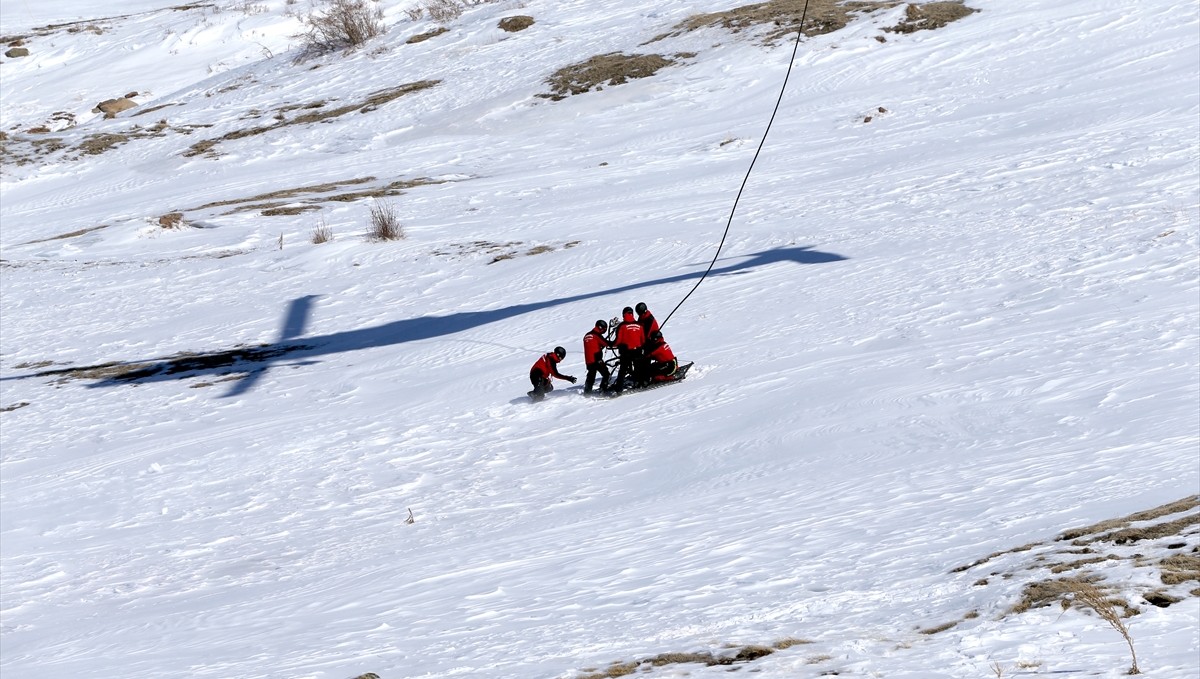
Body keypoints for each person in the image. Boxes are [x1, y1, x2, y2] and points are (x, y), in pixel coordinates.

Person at [613, 307, 645, 393]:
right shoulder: (639, 325)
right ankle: (640, 384)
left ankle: (619, 389)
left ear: (623, 315)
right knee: (638, 368)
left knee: (623, 370)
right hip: (637, 351)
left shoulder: (622, 326)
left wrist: (612, 345)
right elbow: (643, 340)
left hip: (626, 352)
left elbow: (618, 340)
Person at [582, 319, 613, 394]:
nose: (604, 331)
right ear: (601, 328)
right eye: (604, 329)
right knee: (606, 375)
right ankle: (603, 390)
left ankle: (587, 392)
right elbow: (607, 344)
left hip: (588, 360)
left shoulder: (586, 335)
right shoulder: (597, 335)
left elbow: (592, 346)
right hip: (597, 359)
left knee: (591, 376)